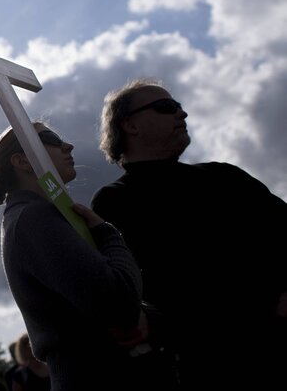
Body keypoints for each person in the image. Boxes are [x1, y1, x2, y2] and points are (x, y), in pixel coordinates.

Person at [91, 78, 287, 390]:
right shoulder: (114, 202)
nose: (182, 115)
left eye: (180, 108)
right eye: (166, 108)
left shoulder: (225, 176)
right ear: (130, 125)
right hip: (200, 367)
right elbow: (135, 290)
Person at [0, 123, 145, 391]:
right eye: (52, 139)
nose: (68, 146)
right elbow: (121, 303)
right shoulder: (33, 219)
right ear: (22, 161)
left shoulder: (34, 216)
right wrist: (108, 235)